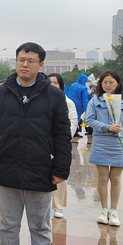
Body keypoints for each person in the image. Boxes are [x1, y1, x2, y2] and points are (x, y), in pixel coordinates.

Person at [0, 42, 72, 245]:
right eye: (21, 59)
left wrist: (61, 168)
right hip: (6, 167)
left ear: (41, 64)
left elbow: (62, 134)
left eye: (30, 60)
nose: (24, 64)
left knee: (40, 226)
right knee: (8, 224)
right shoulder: (1, 93)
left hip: (40, 169)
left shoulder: (53, 95)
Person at [85, 71, 123, 227]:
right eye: (105, 82)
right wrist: (107, 127)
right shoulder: (95, 101)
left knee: (116, 178)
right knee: (102, 178)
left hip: (119, 144)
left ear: (118, 84)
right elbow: (90, 120)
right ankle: (104, 209)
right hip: (101, 143)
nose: (107, 85)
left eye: (111, 82)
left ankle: (114, 211)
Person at [48, 73, 79, 218]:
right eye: (50, 82)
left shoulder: (68, 102)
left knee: (59, 175)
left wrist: (63, 138)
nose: (53, 85)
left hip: (59, 143)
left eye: (56, 83)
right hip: (43, 143)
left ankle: (58, 206)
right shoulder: (41, 100)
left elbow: (73, 122)